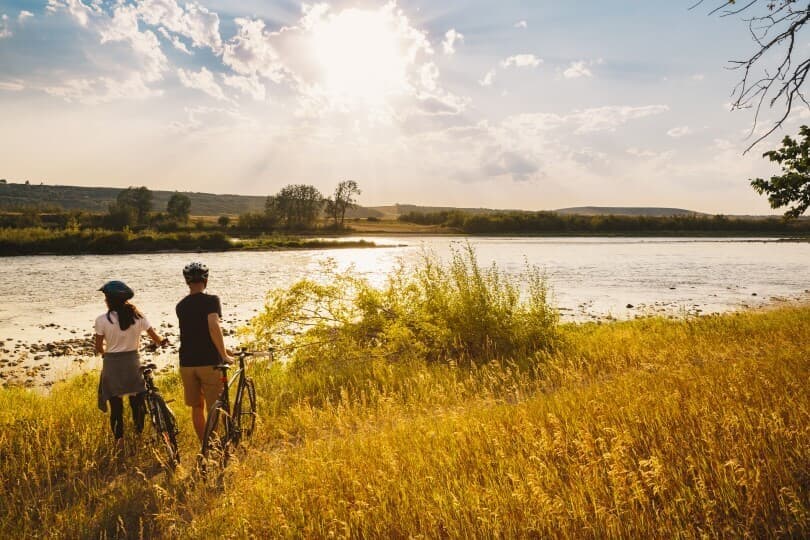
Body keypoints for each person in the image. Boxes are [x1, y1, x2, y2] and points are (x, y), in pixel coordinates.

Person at [95, 280, 167, 453]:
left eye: (106, 297)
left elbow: (98, 347)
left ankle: (119, 443)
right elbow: (157, 339)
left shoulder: (102, 320)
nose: (105, 300)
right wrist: (161, 342)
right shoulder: (139, 317)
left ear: (110, 300)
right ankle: (138, 435)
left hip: (112, 366)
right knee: (137, 405)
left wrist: (107, 354)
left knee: (116, 408)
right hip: (133, 364)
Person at [176, 262, 233, 442]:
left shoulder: (181, 305)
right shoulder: (211, 300)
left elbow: (194, 332)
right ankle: (214, 443)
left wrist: (224, 348)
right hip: (209, 362)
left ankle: (204, 444)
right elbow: (212, 325)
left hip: (186, 363)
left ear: (187, 282)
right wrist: (223, 354)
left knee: (196, 406)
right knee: (214, 406)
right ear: (206, 280)